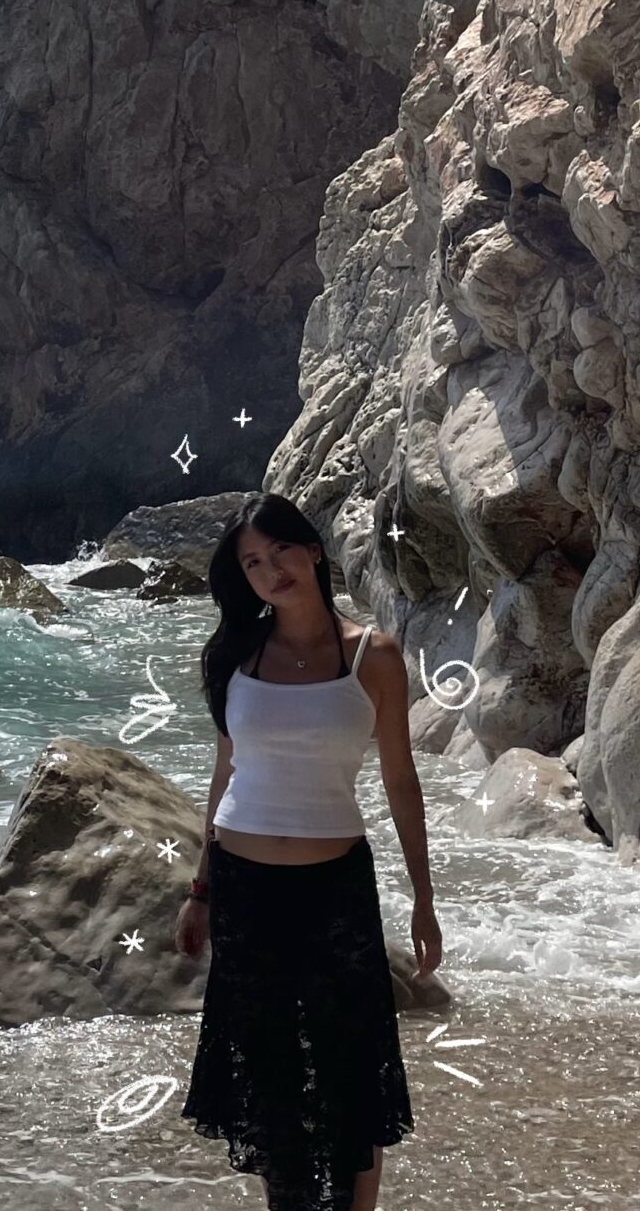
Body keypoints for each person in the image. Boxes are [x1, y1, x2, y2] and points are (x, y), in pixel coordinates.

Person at [174, 491, 442, 1211]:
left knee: (351, 1062)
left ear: (314, 549)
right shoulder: (234, 655)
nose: (269, 571)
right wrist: (200, 888)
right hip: (244, 886)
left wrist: (422, 896)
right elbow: (224, 770)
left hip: (333, 887)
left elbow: (399, 779)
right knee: (267, 1069)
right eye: (252, 563)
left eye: (280, 551)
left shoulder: (372, 655)